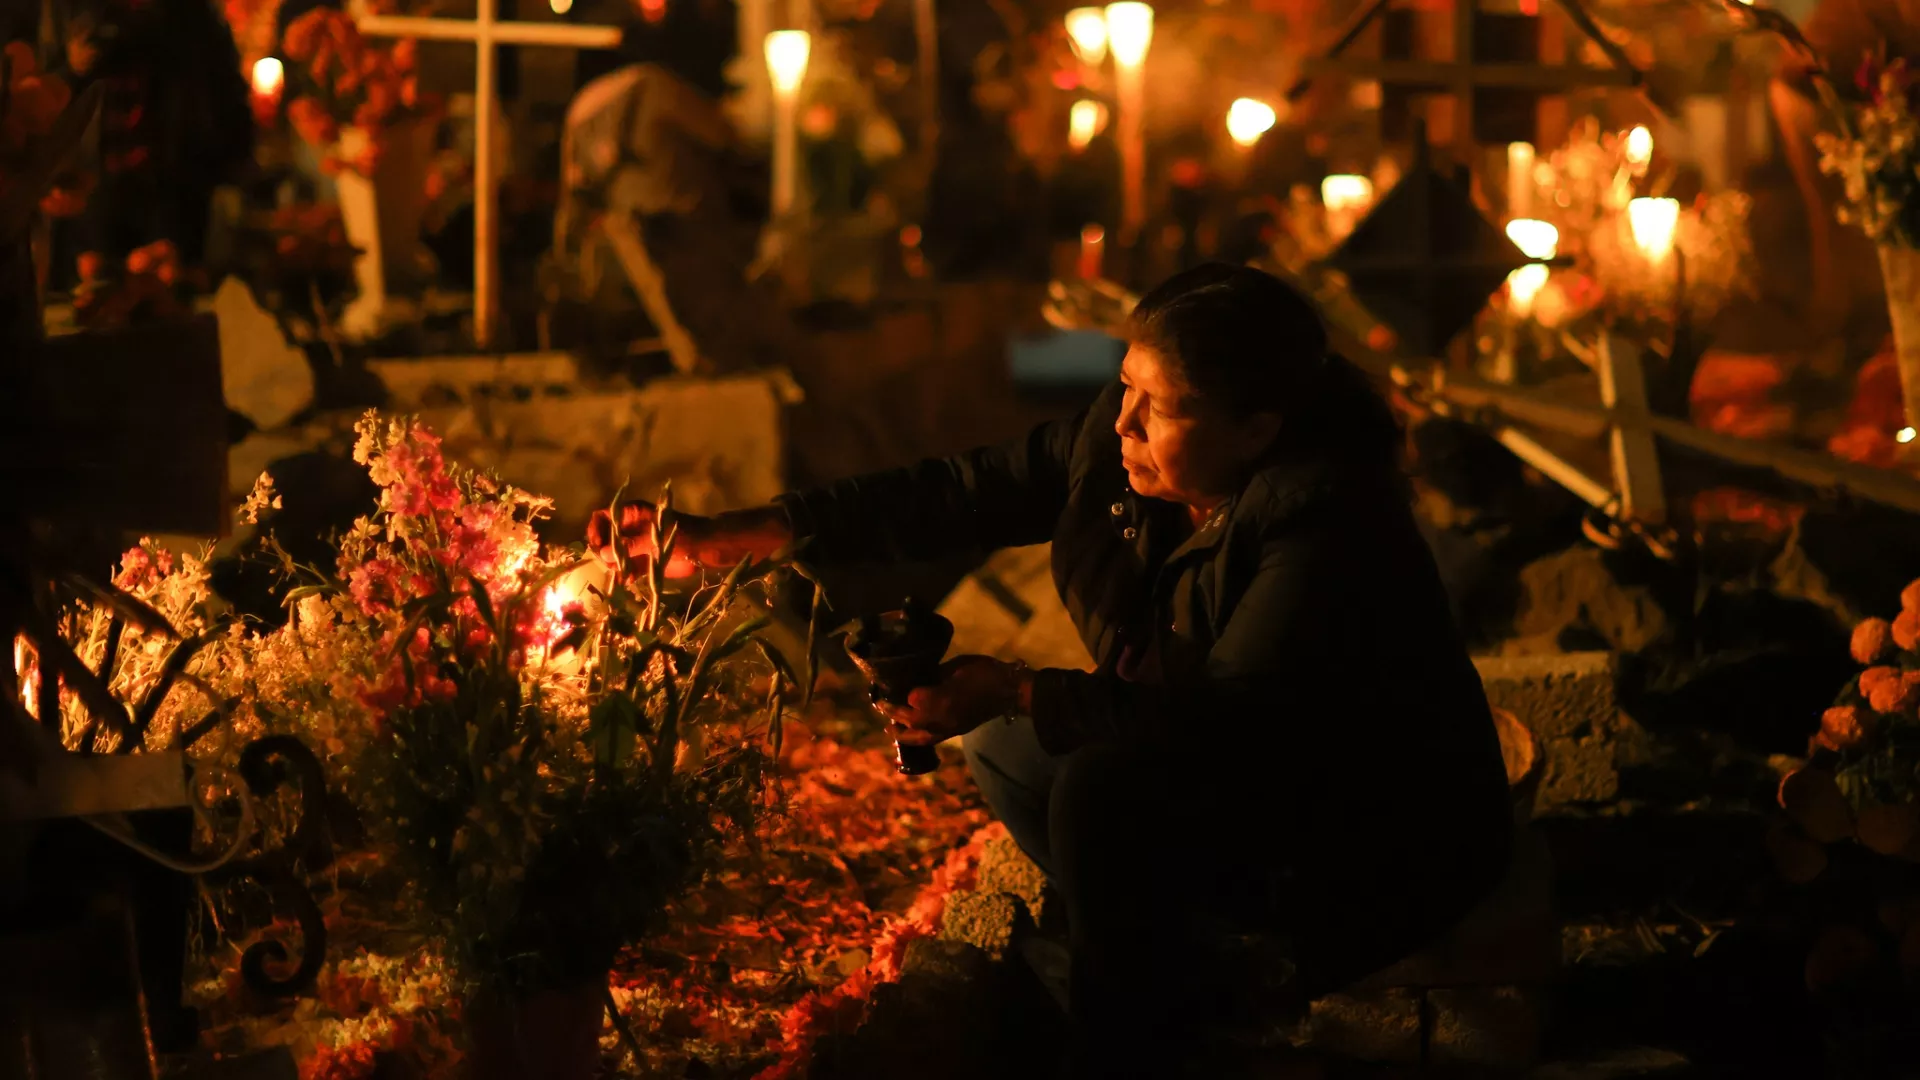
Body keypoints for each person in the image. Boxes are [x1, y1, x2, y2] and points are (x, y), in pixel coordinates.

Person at [590, 263, 1515, 1077]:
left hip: (1361, 835)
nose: (1123, 421)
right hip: (1218, 772)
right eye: (1123, 387)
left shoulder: (1324, 525)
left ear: (1255, 427)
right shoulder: (1121, 460)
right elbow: (955, 491)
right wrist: (740, 535)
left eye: (1162, 406)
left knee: (1094, 792)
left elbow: (1229, 732)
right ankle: (1168, 969)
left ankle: (1145, 1033)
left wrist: (1019, 687)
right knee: (1007, 749)